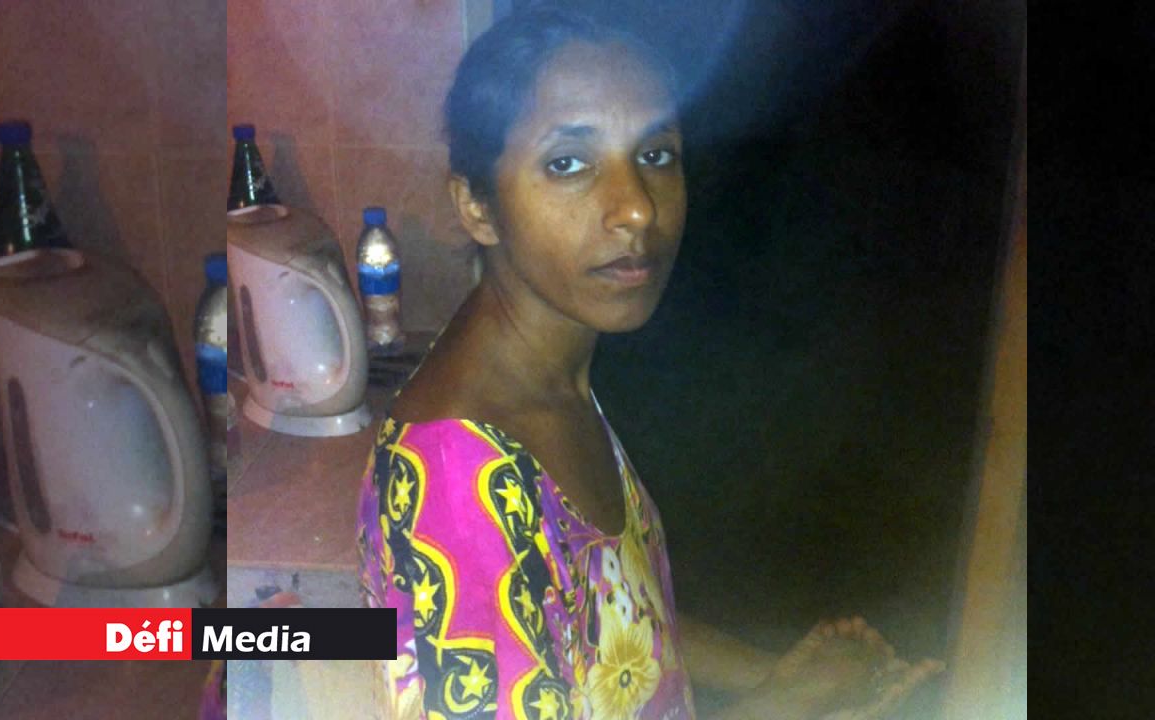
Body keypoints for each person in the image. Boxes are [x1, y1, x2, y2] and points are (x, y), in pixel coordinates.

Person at [356, 8, 943, 720]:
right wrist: (788, 701)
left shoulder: (550, 380)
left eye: (657, 155)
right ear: (477, 206)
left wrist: (783, 670)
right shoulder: (459, 489)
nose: (636, 208)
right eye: (568, 163)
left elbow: (604, 607)